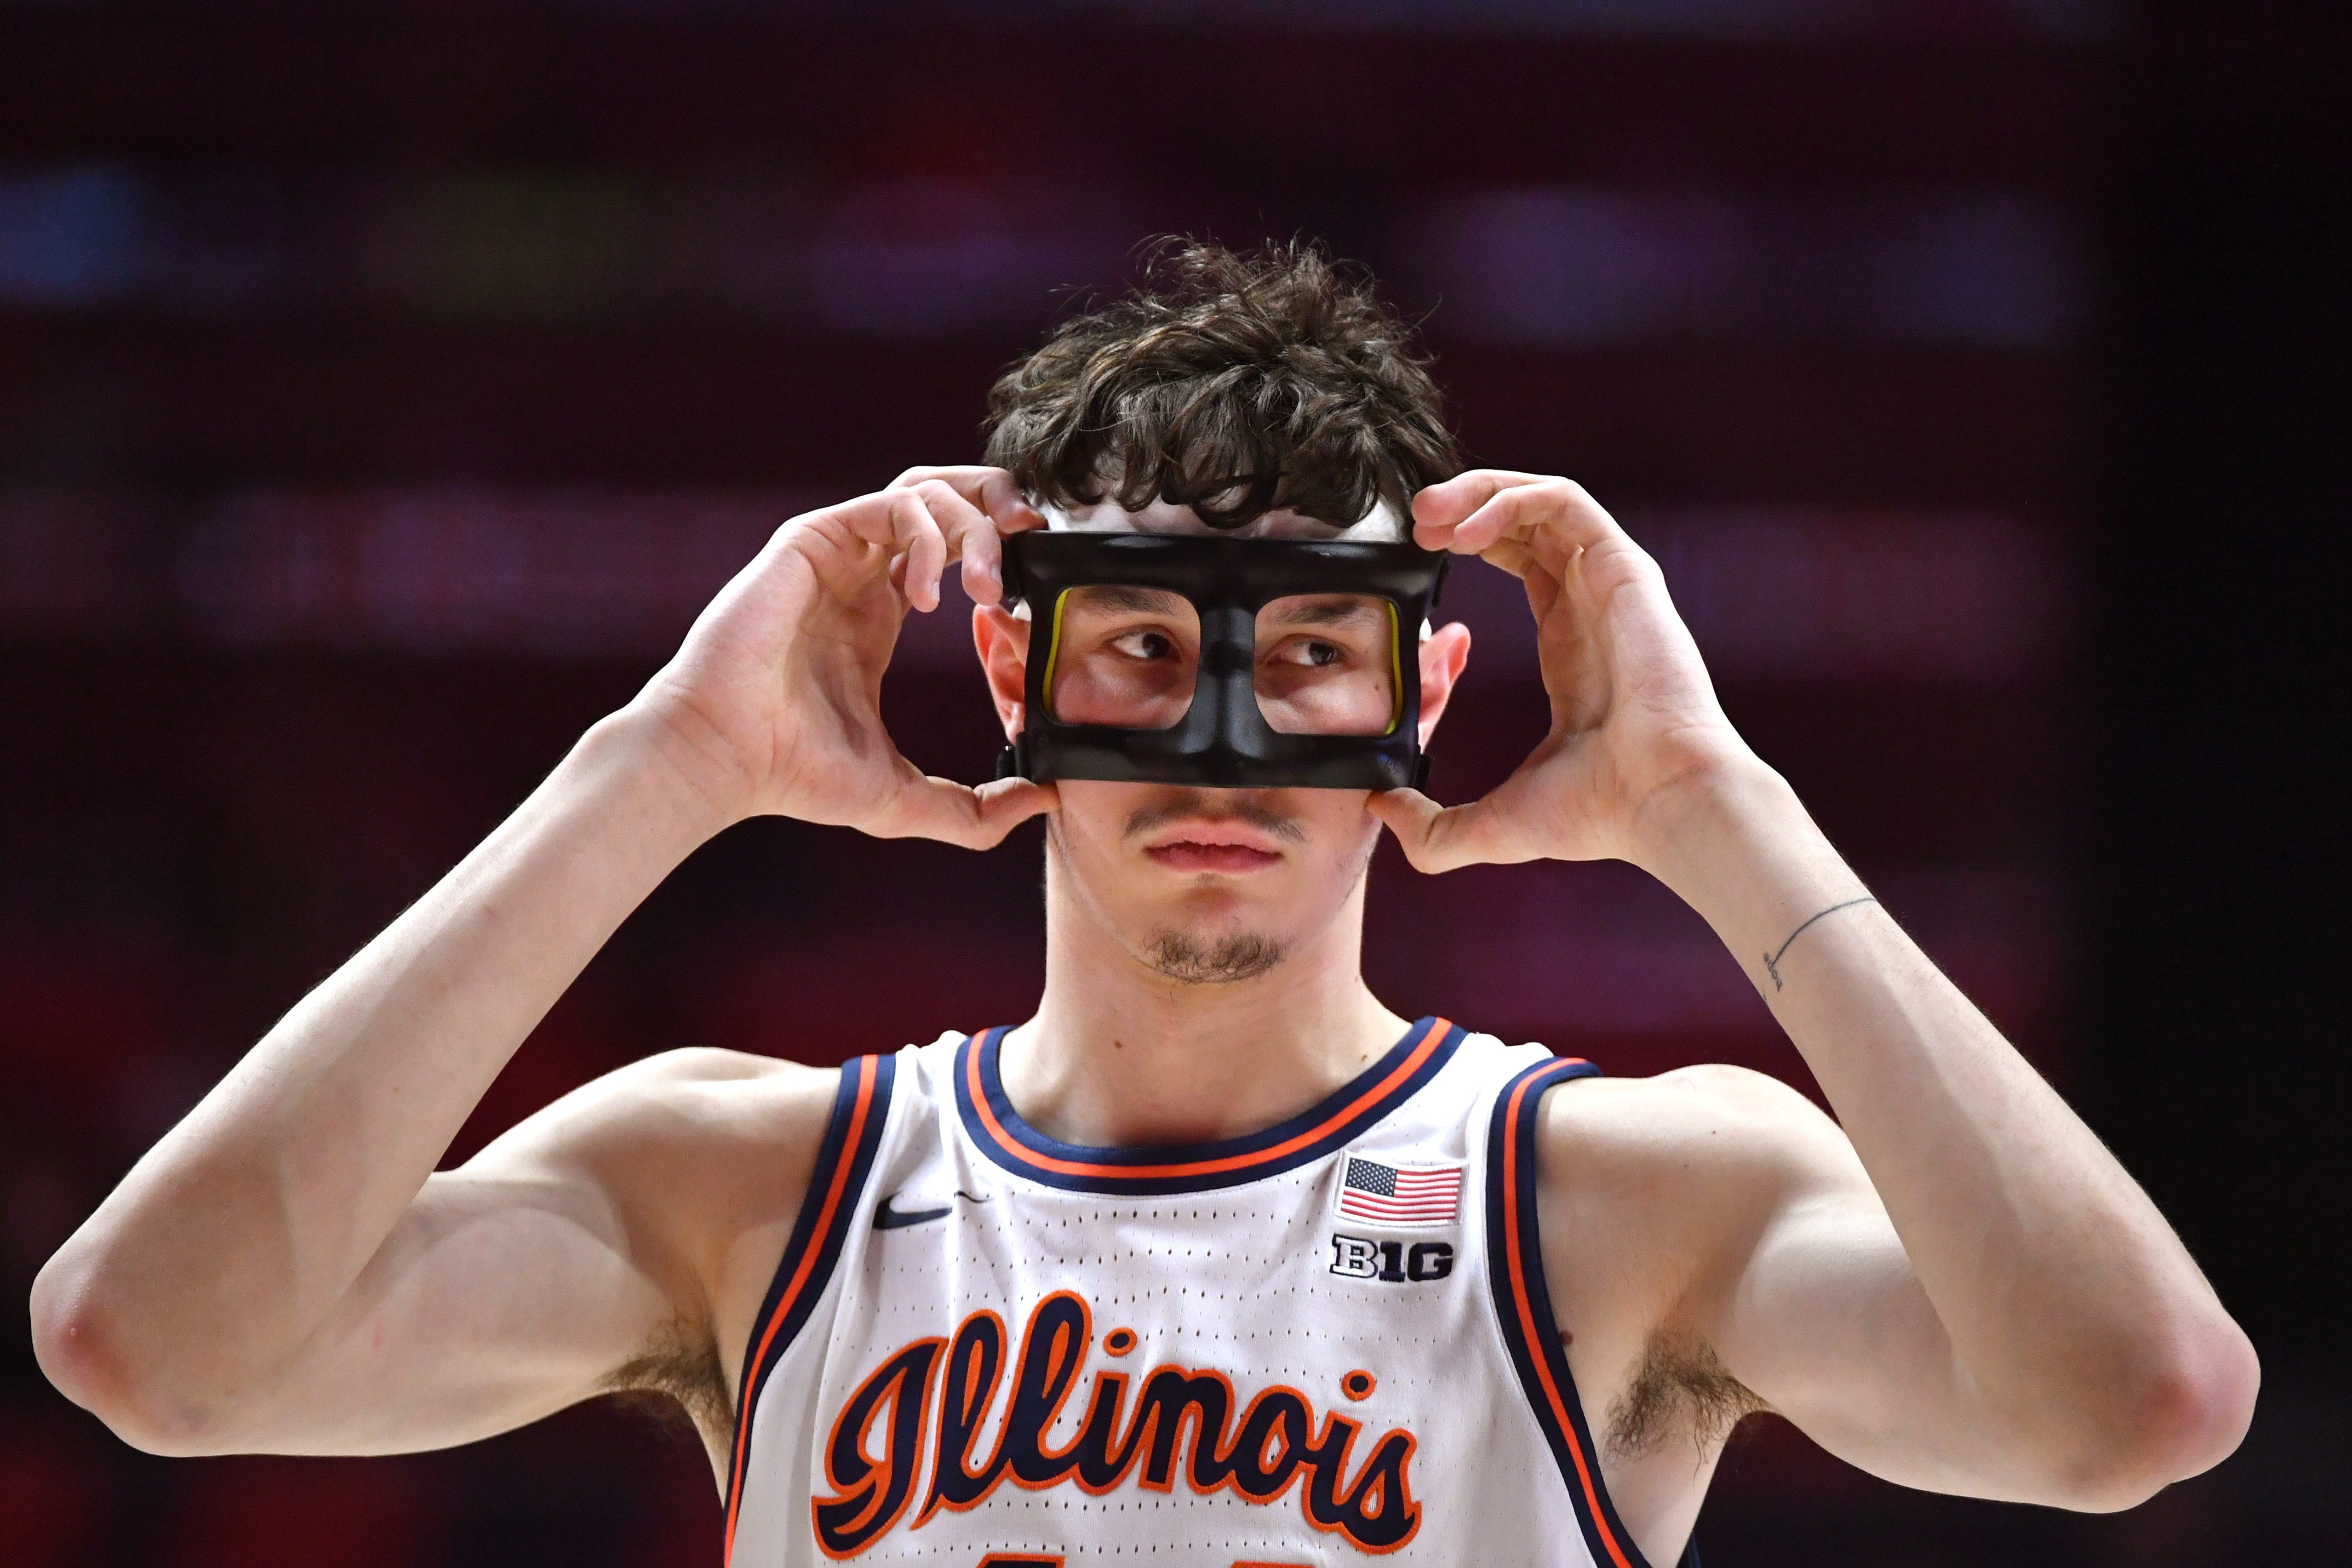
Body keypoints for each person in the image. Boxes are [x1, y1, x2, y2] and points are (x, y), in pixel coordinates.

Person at [30, 242, 2256, 1567]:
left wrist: (1713, 798)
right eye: (1142, 649)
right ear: (1012, 668)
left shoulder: (1619, 1190)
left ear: (1421, 689)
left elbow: (2133, 1405)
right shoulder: (749, 1179)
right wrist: (657, 774)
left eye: (1305, 650)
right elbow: (153, 1346)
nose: (1222, 739)